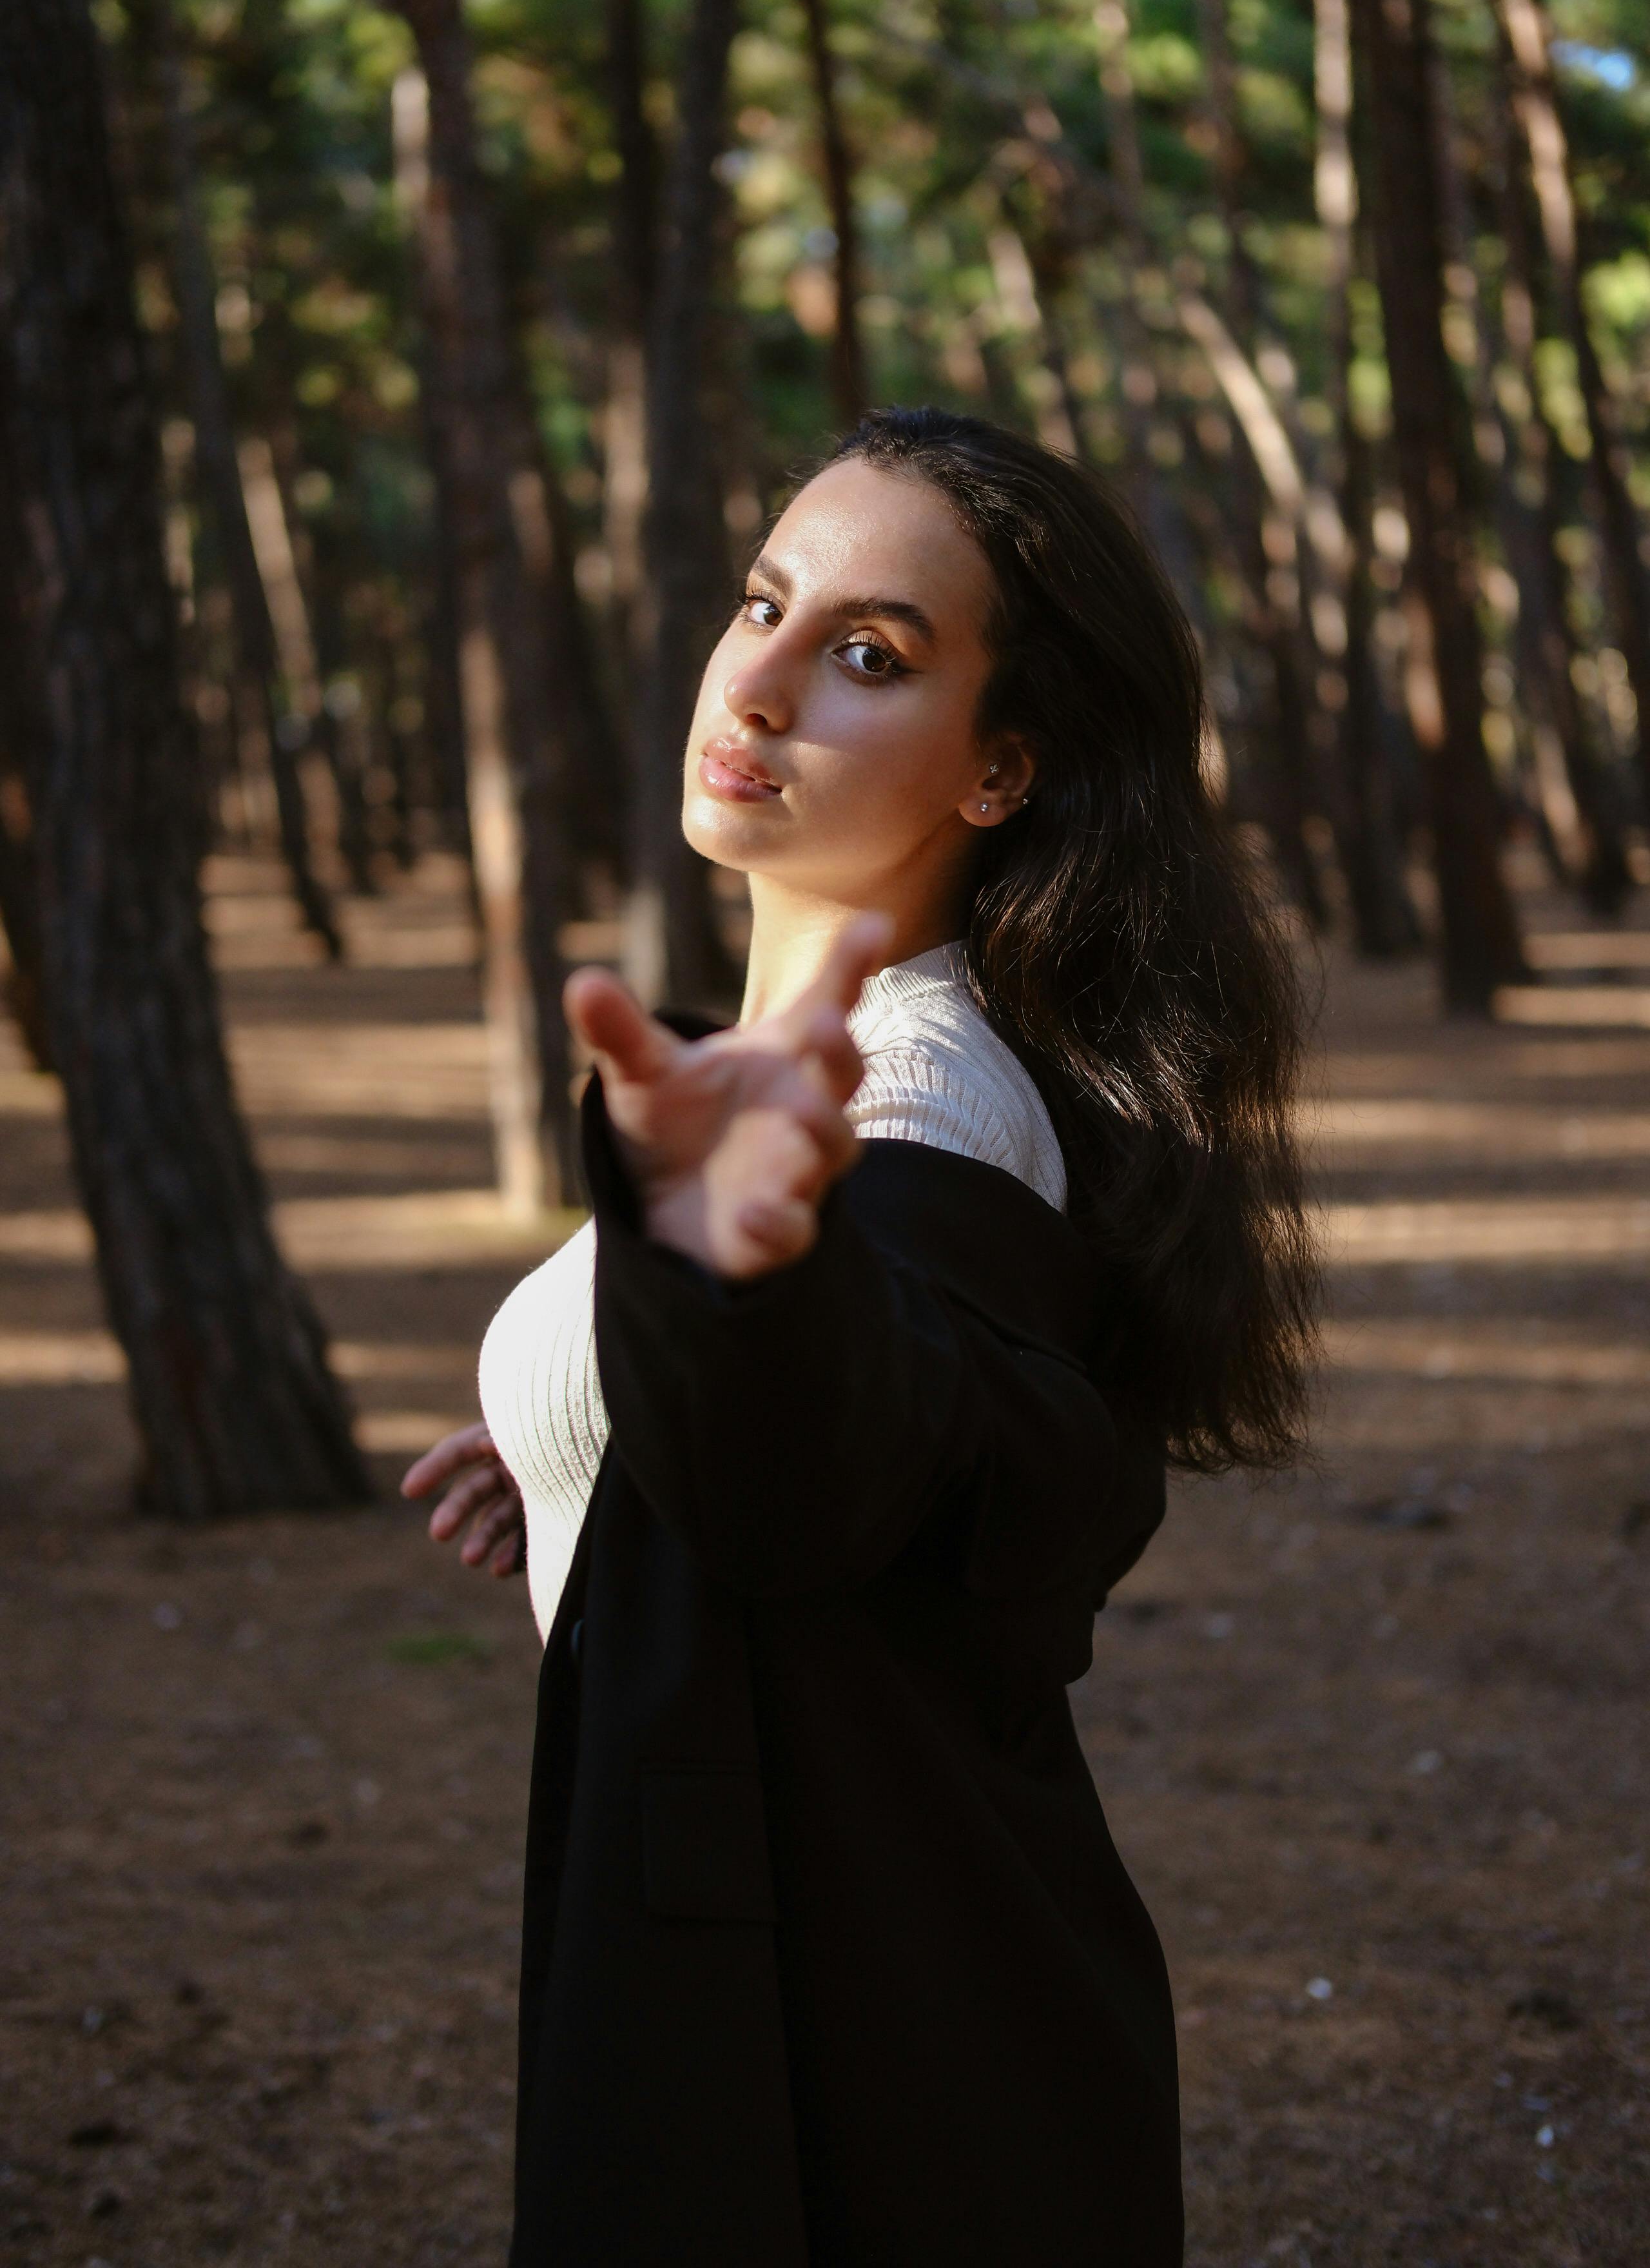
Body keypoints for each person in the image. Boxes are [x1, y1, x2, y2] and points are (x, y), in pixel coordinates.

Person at [403, 407, 1317, 2265]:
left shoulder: (908, 1112)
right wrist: (590, 1433)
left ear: (999, 773)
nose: (761, 683)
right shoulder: (852, 1087)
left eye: (870, 656)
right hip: (866, 1988)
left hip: (862, 2079)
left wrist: (732, 1305)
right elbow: (847, 1448)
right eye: (766, 604)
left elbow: (838, 1448)